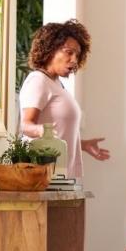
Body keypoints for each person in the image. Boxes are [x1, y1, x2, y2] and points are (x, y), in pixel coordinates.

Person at [19, 19, 110, 178]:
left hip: (61, 177)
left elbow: (59, 132)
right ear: (51, 49)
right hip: (43, 176)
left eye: (77, 55)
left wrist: (83, 145)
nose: (74, 60)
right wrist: (41, 130)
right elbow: (26, 126)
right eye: (69, 52)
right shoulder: (38, 80)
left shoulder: (56, 84)